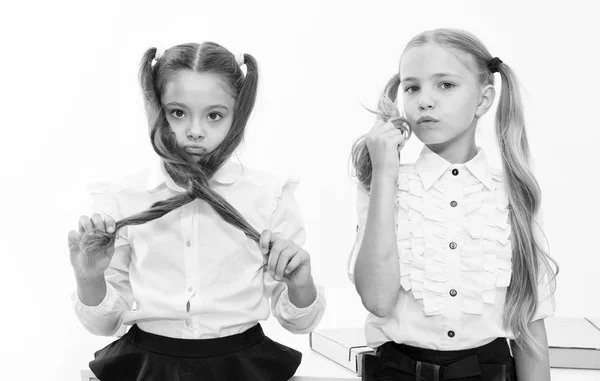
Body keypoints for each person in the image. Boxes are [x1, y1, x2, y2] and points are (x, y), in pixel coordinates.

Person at [68, 41, 326, 381]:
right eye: (178, 113)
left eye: (214, 115)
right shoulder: (122, 199)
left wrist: (300, 284)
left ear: (239, 115)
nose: (195, 131)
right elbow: (104, 325)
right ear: (155, 109)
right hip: (146, 365)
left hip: (245, 364)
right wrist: (90, 278)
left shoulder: (270, 196)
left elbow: (299, 322)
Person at [348, 28, 557, 381]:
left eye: (445, 85)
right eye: (412, 87)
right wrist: (385, 173)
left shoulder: (513, 192)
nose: (424, 101)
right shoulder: (385, 184)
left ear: (483, 99)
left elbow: (529, 322)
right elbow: (378, 300)